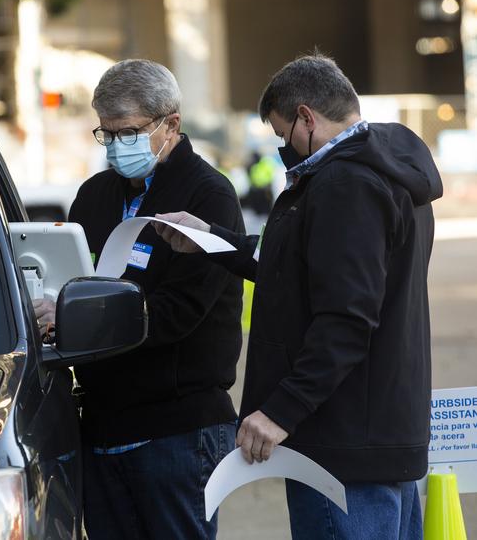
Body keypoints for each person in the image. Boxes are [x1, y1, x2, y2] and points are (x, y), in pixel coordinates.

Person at [154, 53, 443, 539]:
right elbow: (296, 266)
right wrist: (214, 239)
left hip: (340, 450)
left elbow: (347, 319)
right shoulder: (389, 168)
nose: (282, 148)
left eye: (282, 134)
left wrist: (281, 410)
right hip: (382, 436)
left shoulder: (345, 184)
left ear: (307, 117)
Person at [34, 59, 245, 539]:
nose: (114, 147)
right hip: (103, 423)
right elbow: (72, 278)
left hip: (177, 429)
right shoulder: (93, 196)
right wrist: (55, 306)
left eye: (126, 132)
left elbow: (181, 311)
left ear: (171, 123)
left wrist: (83, 318)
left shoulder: (208, 196)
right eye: (105, 134)